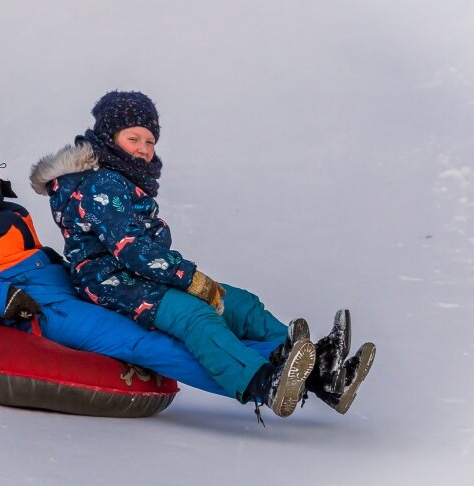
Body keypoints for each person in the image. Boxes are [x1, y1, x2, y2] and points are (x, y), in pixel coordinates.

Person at [30, 91, 376, 419]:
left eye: (149, 141)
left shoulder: (123, 179)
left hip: (141, 276)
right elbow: (133, 248)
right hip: (111, 283)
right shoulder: (101, 184)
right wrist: (189, 278)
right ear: (109, 137)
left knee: (242, 305)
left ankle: (321, 373)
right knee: (194, 315)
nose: (143, 149)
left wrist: (190, 279)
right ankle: (264, 384)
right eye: (133, 138)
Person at [0, 112, 267, 404]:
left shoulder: (12, 212)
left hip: (72, 286)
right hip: (46, 309)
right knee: (146, 341)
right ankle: (258, 383)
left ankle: (277, 357)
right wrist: (3, 299)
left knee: (178, 316)